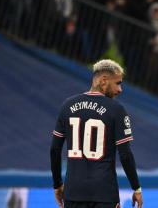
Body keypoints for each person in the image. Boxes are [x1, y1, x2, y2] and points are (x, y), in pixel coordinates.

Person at [50, 59, 143, 208]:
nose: (120, 90)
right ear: (104, 80)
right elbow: (125, 155)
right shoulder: (117, 109)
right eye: (118, 83)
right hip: (104, 194)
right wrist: (136, 188)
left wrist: (57, 184)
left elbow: (54, 150)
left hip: (73, 193)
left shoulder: (67, 105)